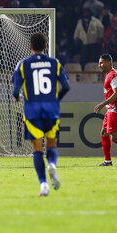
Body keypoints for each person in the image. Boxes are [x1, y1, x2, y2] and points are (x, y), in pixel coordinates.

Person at [12, 33, 71, 196]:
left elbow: (15, 91)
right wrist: (56, 99)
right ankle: (52, 164)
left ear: (30, 46)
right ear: (45, 46)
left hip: (32, 111)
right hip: (51, 109)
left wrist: (17, 97)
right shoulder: (55, 63)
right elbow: (66, 86)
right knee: (51, 145)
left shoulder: (22, 65)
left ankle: (44, 184)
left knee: (37, 149)